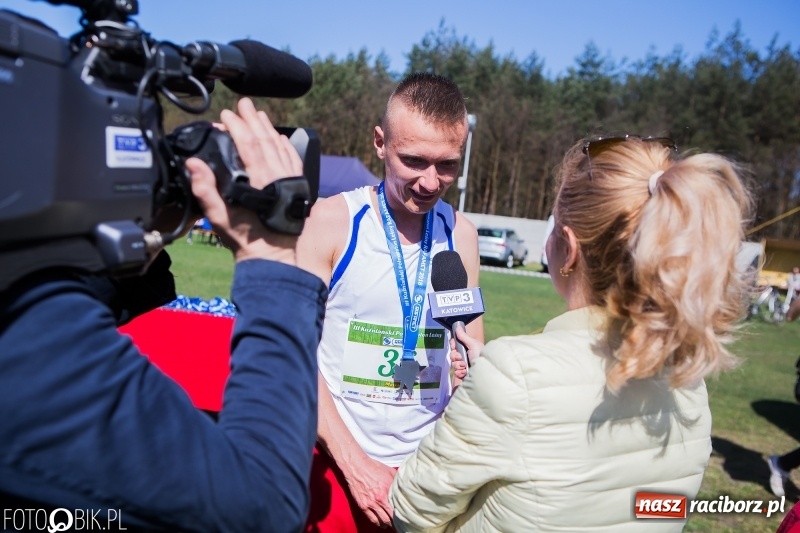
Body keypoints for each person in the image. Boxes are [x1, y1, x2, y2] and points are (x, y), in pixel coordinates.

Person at [390, 135, 753, 532]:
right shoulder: (689, 380)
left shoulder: (514, 373)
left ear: (568, 248)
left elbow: (411, 511)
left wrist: (499, 386)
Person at [0, 98, 327, 533]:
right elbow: (262, 505)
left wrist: (159, 222)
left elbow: (61, 298)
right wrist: (270, 257)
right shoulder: (28, 347)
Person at [297, 72, 483, 532]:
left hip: (426, 476)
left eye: (447, 166)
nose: (429, 181)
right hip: (334, 467)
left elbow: (470, 344)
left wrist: (469, 373)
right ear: (380, 143)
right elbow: (293, 356)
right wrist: (355, 465)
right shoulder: (332, 221)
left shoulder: (461, 234)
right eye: (413, 160)